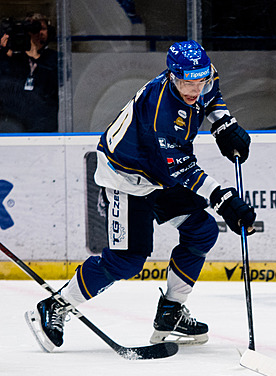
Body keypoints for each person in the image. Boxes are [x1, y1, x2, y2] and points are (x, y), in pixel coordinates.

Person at [25, 40, 256, 351]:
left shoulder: (204, 77)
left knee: (201, 231)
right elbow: (183, 170)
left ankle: (171, 314)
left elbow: (212, 97)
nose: (194, 89)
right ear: (173, 76)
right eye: (188, 82)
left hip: (158, 173)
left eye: (199, 80)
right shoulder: (161, 111)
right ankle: (56, 305)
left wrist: (224, 125)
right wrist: (224, 199)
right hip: (126, 178)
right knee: (126, 261)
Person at [0, 13, 58, 132]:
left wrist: (37, 56)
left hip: (43, 122)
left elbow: (54, 85)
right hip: (15, 121)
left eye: (43, 29)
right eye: (34, 29)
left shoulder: (54, 58)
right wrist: (3, 53)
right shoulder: (15, 58)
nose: (39, 33)